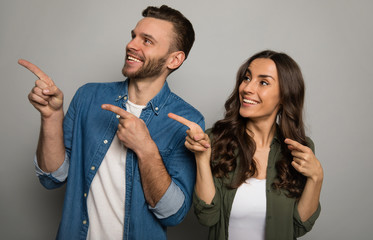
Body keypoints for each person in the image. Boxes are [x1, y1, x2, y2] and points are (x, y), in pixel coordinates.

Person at [19, 5, 204, 240]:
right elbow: (52, 177)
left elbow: (172, 214)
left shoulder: (187, 121)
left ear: (174, 59)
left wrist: (146, 149)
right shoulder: (88, 97)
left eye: (147, 41)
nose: (132, 45)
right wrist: (51, 116)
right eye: (133, 36)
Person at [169, 50, 323, 240]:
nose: (247, 88)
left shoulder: (300, 149)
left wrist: (316, 178)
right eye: (247, 78)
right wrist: (202, 157)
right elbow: (207, 217)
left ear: (284, 96)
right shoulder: (215, 140)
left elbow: (298, 227)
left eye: (263, 82)